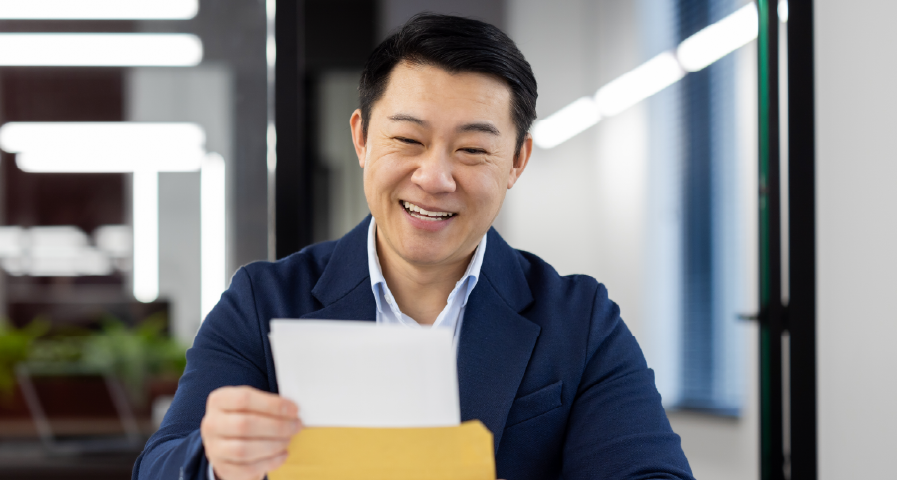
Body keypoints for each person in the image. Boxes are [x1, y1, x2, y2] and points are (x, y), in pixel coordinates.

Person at [133, 13, 694, 480]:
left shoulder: (580, 320)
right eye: (407, 140)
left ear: (517, 161)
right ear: (361, 137)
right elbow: (160, 466)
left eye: (473, 150)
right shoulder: (263, 300)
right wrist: (214, 460)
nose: (435, 177)